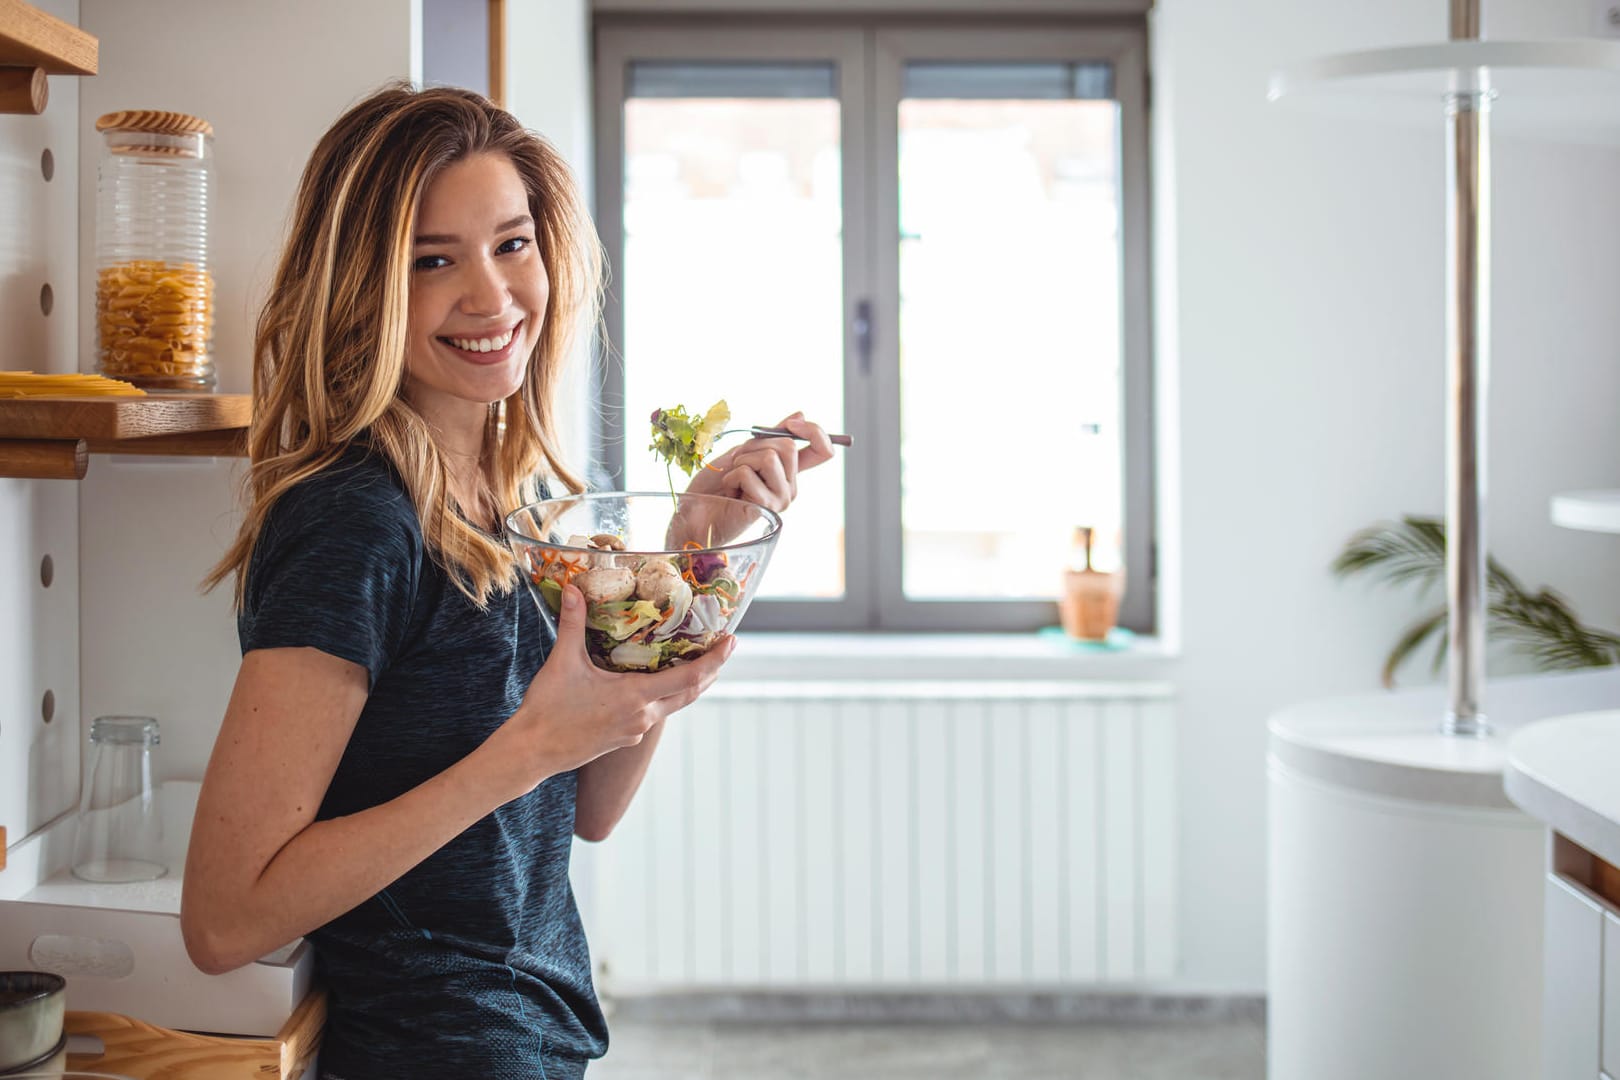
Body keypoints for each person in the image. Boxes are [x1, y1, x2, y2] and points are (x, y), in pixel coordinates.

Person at [179, 82, 833, 1079]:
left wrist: (694, 554)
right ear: (361, 285)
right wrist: (528, 747)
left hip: (539, 1036)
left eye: (511, 243)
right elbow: (226, 917)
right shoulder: (355, 520)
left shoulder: (515, 495)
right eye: (432, 260)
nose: (491, 297)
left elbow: (589, 805)